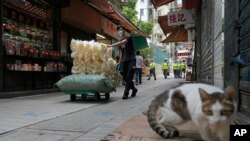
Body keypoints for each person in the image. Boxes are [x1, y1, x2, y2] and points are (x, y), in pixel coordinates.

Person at [107, 26, 137, 99]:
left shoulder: (128, 38)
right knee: (125, 78)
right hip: (124, 61)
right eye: (118, 33)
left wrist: (111, 45)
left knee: (129, 76)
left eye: (120, 32)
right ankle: (134, 89)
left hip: (132, 60)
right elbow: (121, 54)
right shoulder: (121, 44)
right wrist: (119, 63)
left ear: (123, 33)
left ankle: (126, 93)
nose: (119, 34)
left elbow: (122, 42)